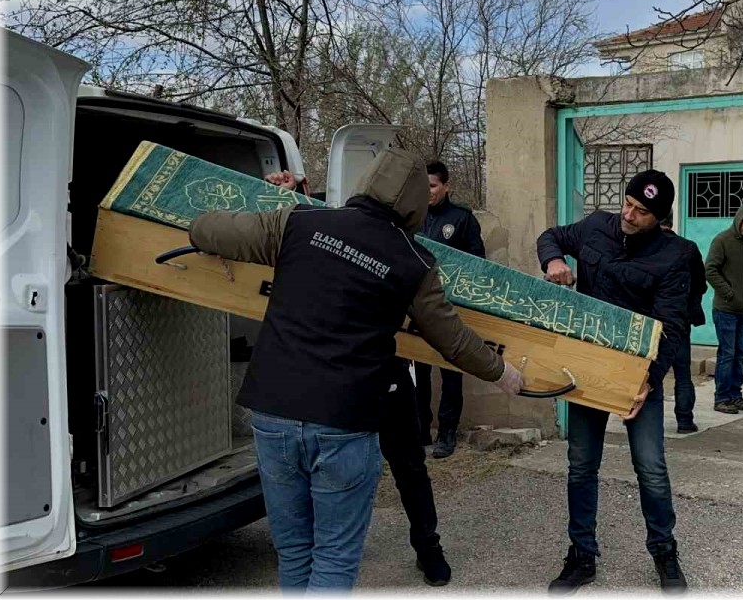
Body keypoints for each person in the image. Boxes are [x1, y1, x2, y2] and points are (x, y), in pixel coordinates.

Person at [196, 147, 523, 591]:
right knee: (333, 556)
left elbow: (207, 230)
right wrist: (502, 373)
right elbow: (453, 340)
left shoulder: (300, 222)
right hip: (343, 419)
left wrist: (208, 222)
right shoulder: (414, 261)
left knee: (293, 551)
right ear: (414, 203)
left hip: (272, 412)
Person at [537, 169, 690, 594]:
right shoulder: (594, 227)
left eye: (641, 211)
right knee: (581, 465)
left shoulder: (674, 256)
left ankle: (664, 552)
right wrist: (553, 260)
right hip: (587, 370)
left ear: (660, 217)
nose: (628, 213)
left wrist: (648, 381)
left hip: (638, 375)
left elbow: (673, 328)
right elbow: (551, 235)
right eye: (627, 202)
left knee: (651, 468)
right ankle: (581, 555)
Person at [416, 160, 487, 460]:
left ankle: (447, 433)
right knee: (418, 369)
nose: (427, 192)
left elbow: (477, 263)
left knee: (450, 372)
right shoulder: (412, 214)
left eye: (432, 186)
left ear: (446, 186)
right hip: (416, 305)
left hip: (450, 308)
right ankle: (421, 429)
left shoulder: (462, 219)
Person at [704, 204, 743, 415]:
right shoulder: (722, 240)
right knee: (727, 354)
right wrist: (728, 293)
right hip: (725, 310)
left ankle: (736, 396)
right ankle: (721, 398)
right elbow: (710, 269)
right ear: (738, 220)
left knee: (740, 354)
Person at [660, 211, 707, 434]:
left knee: (645, 373)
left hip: (648, 321)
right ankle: (685, 421)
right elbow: (701, 284)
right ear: (671, 220)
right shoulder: (688, 248)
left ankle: (643, 421)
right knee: (683, 373)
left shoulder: (642, 247)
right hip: (679, 322)